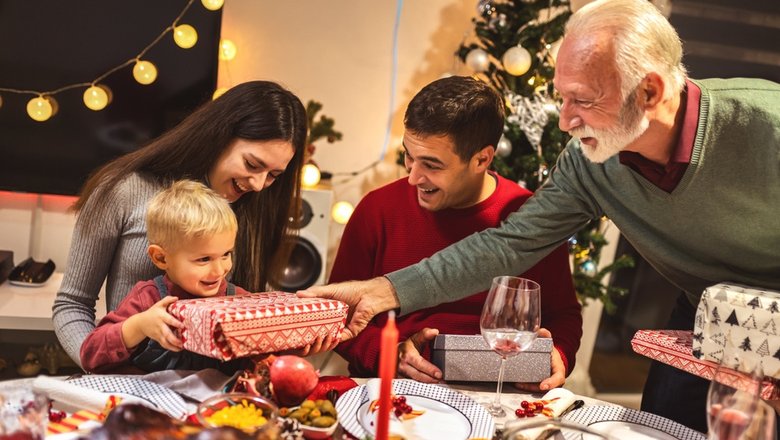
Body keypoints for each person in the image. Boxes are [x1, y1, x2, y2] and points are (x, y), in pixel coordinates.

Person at [302, 0, 780, 433]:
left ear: (649, 91)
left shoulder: (766, 122)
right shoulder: (590, 162)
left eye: (583, 100)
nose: (565, 121)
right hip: (707, 312)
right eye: (561, 98)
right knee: (660, 430)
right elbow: (508, 244)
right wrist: (381, 290)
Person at [329, 76, 582, 391]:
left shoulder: (531, 220)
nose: (413, 177)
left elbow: (565, 316)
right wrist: (388, 355)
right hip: (394, 388)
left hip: (498, 394)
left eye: (432, 165)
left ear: (482, 159)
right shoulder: (377, 208)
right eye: (409, 156)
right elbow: (338, 318)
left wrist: (558, 353)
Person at [54, 80, 309, 368]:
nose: (260, 185)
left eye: (273, 175)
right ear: (219, 137)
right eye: (252, 165)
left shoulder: (253, 207)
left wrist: (290, 345)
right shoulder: (122, 190)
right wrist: (103, 365)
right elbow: (71, 305)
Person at [80, 180, 334, 374]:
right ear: (160, 258)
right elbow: (90, 354)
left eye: (226, 254)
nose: (219, 270)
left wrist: (293, 348)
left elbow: (264, 359)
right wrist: (139, 326)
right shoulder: (148, 300)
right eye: (203, 259)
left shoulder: (241, 302)